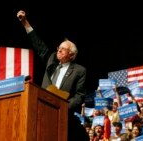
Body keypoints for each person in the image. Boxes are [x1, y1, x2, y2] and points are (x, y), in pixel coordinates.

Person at [16, 10, 89, 141]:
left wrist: (62, 105)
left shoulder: (79, 71)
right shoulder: (51, 62)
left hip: (64, 116)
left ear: (71, 55)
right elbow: (38, 45)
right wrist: (25, 23)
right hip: (43, 112)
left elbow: (79, 96)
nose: (59, 50)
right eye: (58, 48)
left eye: (63, 49)